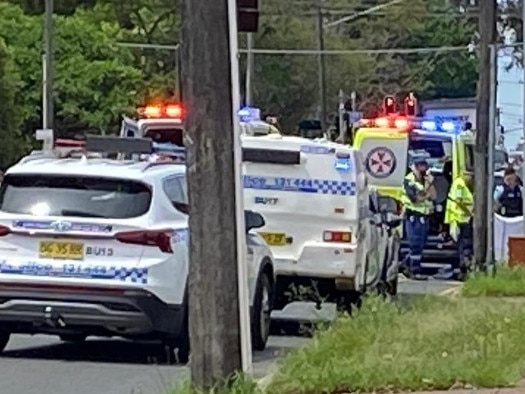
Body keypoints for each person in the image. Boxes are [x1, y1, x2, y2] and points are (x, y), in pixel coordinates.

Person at [400, 156, 435, 280]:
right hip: (413, 217)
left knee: (420, 245)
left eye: (424, 165)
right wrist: (426, 192)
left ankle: (406, 266)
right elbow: (415, 199)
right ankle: (414, 270)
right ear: (414, 167)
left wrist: (429, 184)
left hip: (424, 217)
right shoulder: (409, 181)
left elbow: (434, 195)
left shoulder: (425, 180)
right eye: (420, 165)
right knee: (414, 244)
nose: (423, 168)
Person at [439, 170, 474, 279]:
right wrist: (469, 212)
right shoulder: (459, 184)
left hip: (463, 219)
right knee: (464, 245)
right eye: (470, 176)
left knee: (463, 246)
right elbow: (459, 201)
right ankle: (463, 268)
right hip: (460, 219)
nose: (471, 179)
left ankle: (463, 268)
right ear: (465, 175)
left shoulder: (463, 184)